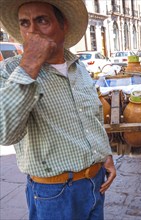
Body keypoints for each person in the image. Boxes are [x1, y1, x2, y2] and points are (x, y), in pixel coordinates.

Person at [0, 1, 116, 219]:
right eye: (25, 23)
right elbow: (5, 134)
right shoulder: (9, 72)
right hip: (54, 193)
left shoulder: (78, 68)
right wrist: (30, 66)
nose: (32, 30)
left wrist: (105, 156)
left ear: (64, 26)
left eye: (42, 20)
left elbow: (92, 119)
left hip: (95, 183)